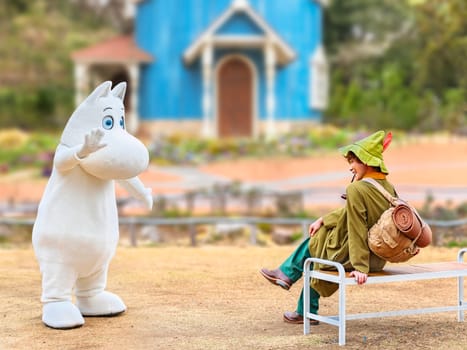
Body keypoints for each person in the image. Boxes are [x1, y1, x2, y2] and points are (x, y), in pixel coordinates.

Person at [260, 130, 395, 324]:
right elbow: (352, 213)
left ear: (365, 161)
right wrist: (323, 219)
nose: (351, 167)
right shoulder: (387, 187)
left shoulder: (356, 189)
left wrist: (360, 268)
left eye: (353, 162)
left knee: (316, 246)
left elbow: (356, 227)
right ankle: (298, 300)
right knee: (319, 242)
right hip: (377, 258)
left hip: (360, 258)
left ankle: (289, 279)